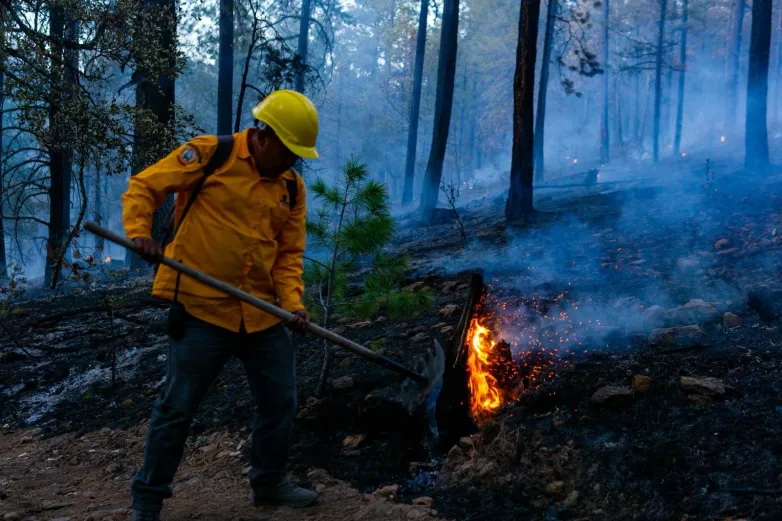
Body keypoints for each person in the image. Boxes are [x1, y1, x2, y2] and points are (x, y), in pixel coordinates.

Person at [121, 90, 320, 521]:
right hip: (201, 309)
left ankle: (267, 483)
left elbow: (288, 254)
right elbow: (144, 185)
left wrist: (292, 303)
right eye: (290, 151)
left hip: (263, 312)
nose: (293, 161)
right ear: (264, 137)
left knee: (279, 400)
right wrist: (140, 231)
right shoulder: (211, 154)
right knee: (177, 406)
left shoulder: (291, 185)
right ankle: (148, 499)